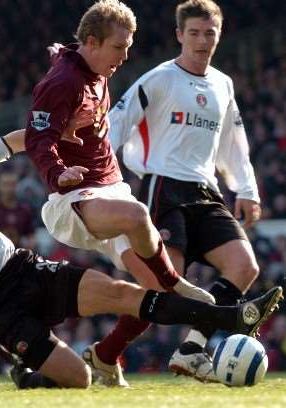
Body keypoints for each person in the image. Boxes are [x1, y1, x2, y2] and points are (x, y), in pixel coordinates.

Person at [0, 121, 283, 391]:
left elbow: (11, 142)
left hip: (21, 268)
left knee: (121, 292)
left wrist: (55, 141)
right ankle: (31, 377)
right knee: (80, 380)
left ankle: (227, 317)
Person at [25, 0, 215, 386]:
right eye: (119, 47)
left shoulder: (94, 67)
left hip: (110, 188)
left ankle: (107, 360)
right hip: (73, 199)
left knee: (153, 289)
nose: (125, 56)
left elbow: (65, 63)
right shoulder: (61, 82)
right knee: (138, 219)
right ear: (92, 43)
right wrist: (58, 172)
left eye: (129, 47)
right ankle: (177, 284)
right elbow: (36, 137)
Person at [108, 0, 264, 382]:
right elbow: (117, 121)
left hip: (207, 192)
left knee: (245, 267)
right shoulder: (159, 79)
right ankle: (106, 353)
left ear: (219, 35)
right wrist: (100, 178)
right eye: (193, 32)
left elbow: (233, 141)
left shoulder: (223, 84)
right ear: (179, 35)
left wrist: (247, 189)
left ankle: (193, 348)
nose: (201, 40)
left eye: (209, 33)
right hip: (163, 186)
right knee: (165, 285)